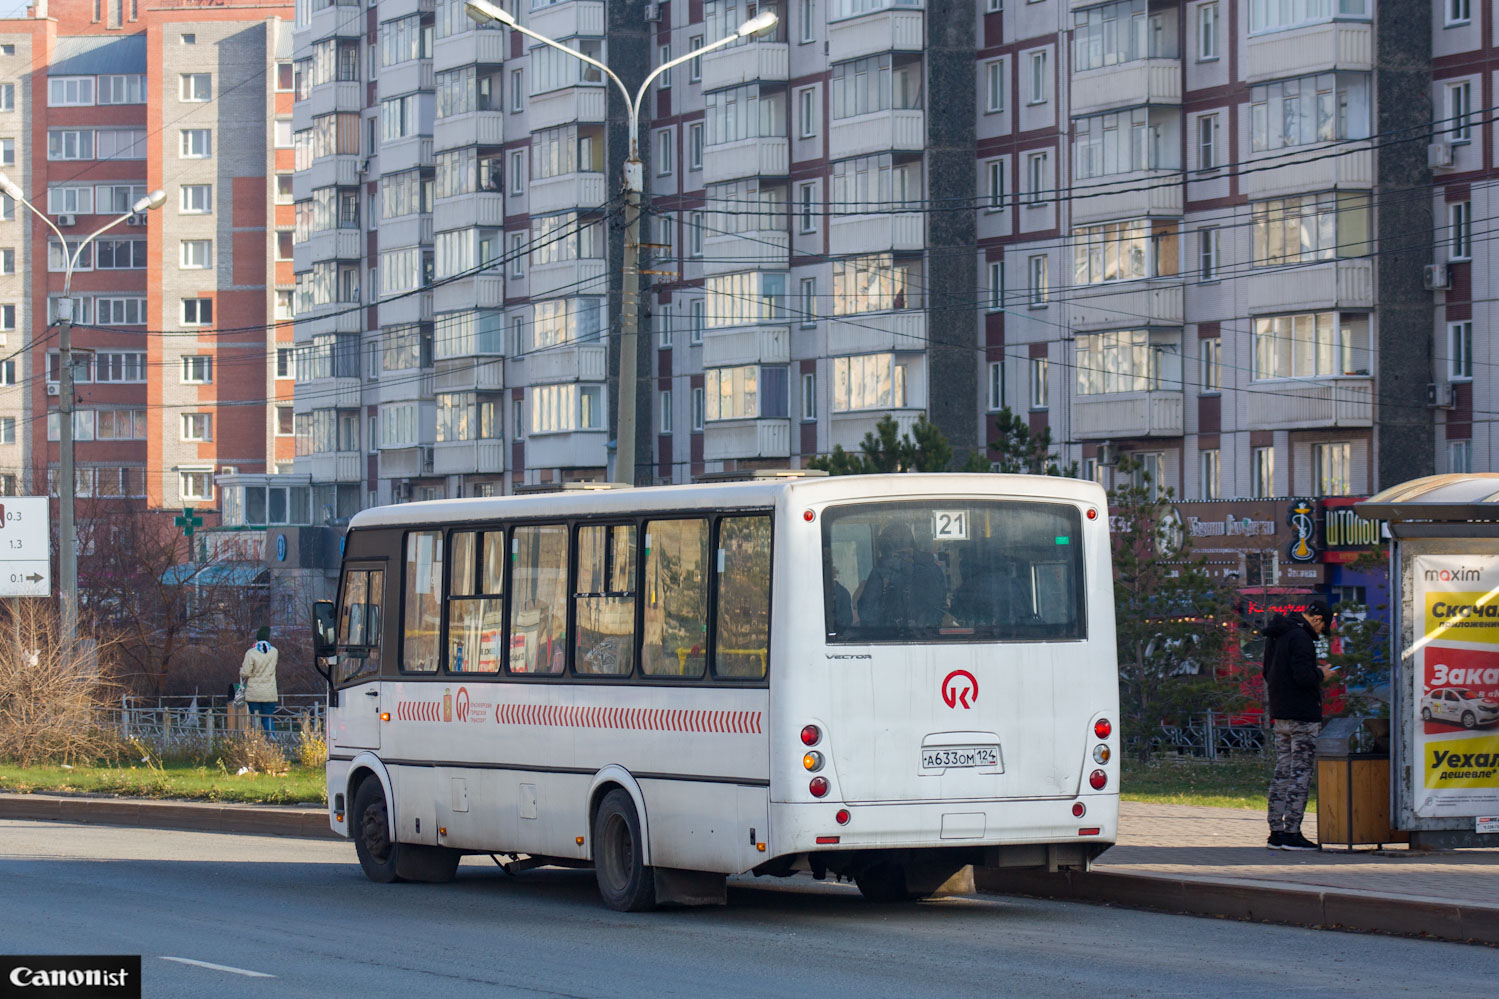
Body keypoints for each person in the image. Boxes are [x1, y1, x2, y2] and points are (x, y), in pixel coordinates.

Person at [1261, 599, 1334, 851]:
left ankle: (1276, 831)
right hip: (1302, 716)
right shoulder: (1301, 638)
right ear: (1317, 618)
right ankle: (1293, 832)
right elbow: (1303, 677)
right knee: (1300, 774)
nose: (1320, 633)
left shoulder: (1277, 635)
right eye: (1323, 627)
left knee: (1282, 771)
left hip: (1280, 714)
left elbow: (1266, 672)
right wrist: (1321, 674)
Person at [856, 523, 947, 631]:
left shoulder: (930, 570)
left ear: (911, 548)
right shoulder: (882, 570)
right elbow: (867, 611)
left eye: (903, 550)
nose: (900, 558)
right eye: (894, 550)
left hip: (926, 637)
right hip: (888, 639)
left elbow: (938, 607)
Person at [240, 626, 280, 737]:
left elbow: (246, 673)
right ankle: (272, 739)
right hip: (270, 691)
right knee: (268, 718)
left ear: (257, 638)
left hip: (254, 692)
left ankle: (257, 742)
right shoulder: (274, 652)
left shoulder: (251, 653)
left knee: (256, 718)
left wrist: (241, 671)